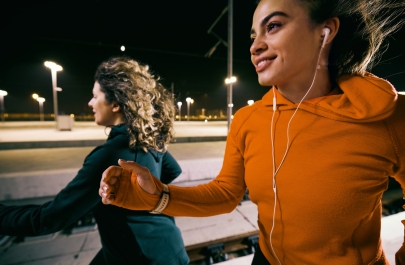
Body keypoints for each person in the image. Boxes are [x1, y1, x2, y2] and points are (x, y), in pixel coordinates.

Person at [100, 1, 405, 264]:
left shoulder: (386, 116)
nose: (255, 45)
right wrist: (157, 195)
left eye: (273, 26)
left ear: (324, 32)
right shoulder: (248, 120)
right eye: (253, 35)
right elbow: (225, 194)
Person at [0, 56, 189, 265]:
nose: (90, 103)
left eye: (95, 96)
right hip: (169, 248)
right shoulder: (147, 139)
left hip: (141, 257)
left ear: (115, 103)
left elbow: (49, 219)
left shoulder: (109, 156)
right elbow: (172, 170)